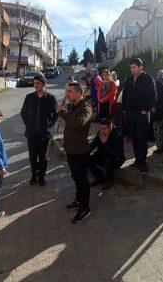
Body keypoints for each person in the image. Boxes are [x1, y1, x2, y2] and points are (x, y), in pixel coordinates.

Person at [56, 82, 94, 224]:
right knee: (76, 177)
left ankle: (85, 208)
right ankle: (79, 200)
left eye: (70, 91)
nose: (67, 94)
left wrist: (62, 112)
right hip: (71, 149)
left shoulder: (87, 107)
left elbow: (78, 122)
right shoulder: (72, 106)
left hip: (80, 150)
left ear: (79, 93)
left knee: (82, 179)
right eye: (67, 91)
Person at [20, 75, 58, 187]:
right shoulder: (29, 97)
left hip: (44, 134)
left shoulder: (50, 98)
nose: (35, 85)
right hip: (31, 133)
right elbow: (23, 113)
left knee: (43, 157)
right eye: (34, 83)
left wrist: (50, 124)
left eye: (38, 83)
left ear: (43, 84)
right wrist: (28, 124)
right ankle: (34, 175)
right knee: (32, 156)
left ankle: (42, 177)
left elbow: (56, 113)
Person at [122, 58, 156, 173]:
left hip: (142, 114)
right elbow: (125, 96)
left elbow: (153, 97)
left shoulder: (148, 79)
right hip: (130, 114)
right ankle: (137, 160)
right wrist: (125, 111)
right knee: (134, 138)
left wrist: (145, 110)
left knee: (142, 139)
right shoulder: (128, 80)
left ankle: (142, 162)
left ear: (140, 67)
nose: (132, 70)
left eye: (134, 67)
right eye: (130, 67)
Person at [87, 118, 125, 190]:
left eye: (104, 129)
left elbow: (114, 153)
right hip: (103, 154)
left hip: (116, 158)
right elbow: (92, 145)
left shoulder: (117, 135)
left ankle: (109, 179)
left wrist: (105, 143)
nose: (102, 131)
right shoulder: (100, 133)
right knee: (88, 159)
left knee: (108, 161)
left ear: (110, 128)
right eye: (100, 128)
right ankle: (99, 177)